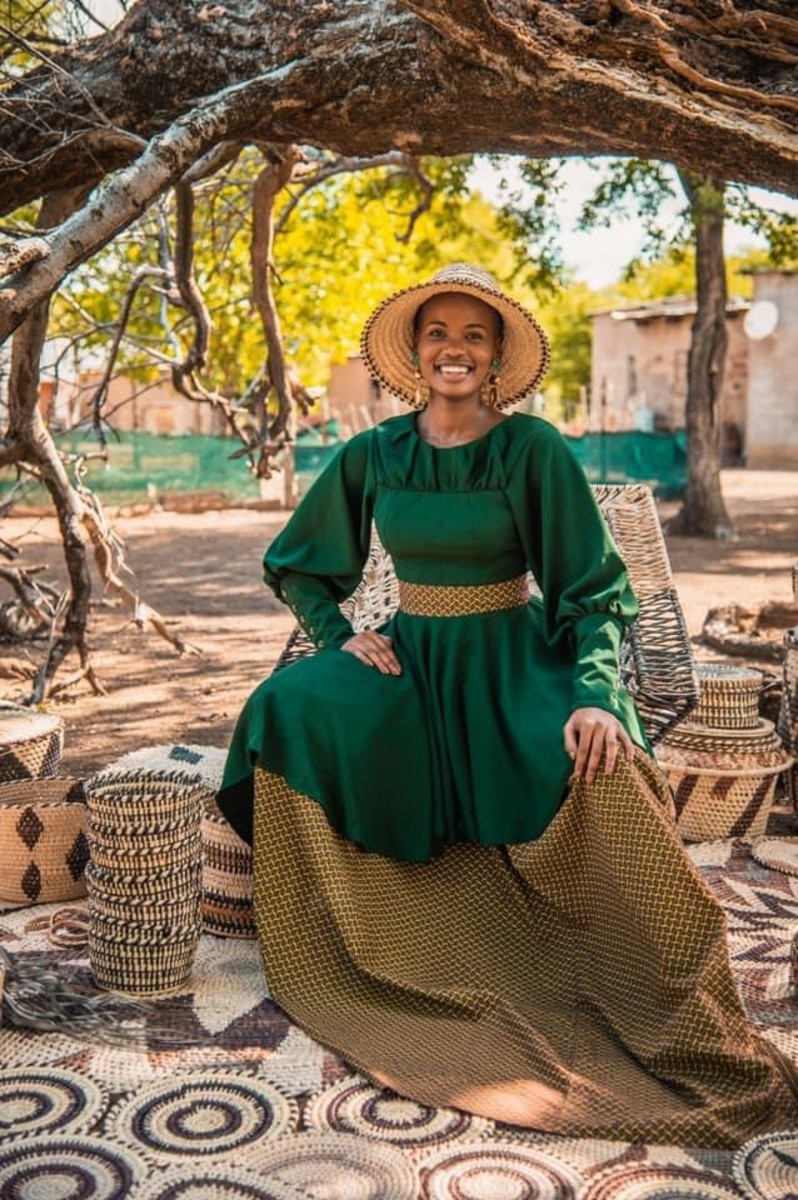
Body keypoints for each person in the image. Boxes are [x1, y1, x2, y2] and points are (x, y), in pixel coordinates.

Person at [217, 264, 797, 1146]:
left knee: (593, 763)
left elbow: (595, 589)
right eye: (438, 333)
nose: (454, 348)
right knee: (287, 707)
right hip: (410, 663)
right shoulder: (374, 453)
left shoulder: (532, 449)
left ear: (496, 358)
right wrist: (338, 638)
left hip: (515, 659)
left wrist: (599, 693)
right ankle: (355, 925)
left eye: (474, 335)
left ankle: (644, 978)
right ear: (415, 353)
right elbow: (299, 562)